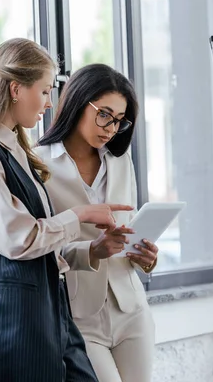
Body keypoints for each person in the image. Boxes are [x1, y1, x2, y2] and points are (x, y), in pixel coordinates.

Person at [0, 38, 132, 382]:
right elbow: (18, 240)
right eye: (44, 91)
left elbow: (39, 246)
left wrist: (90, 250)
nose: (48, 103)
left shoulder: (14, 151)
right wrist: (82, 215)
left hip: (49, 311)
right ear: (15, 89)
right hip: (20, 320)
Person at [35, 64, 158, 382]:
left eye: (119, 120)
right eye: (104, 114)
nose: (110, 128)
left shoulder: (120, 161)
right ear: (78, 101)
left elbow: (127, 228)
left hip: (131, 310)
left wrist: (147, 258)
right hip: (79, 317)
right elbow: (39, 244)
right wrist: (91, 250)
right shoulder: (39, 164)